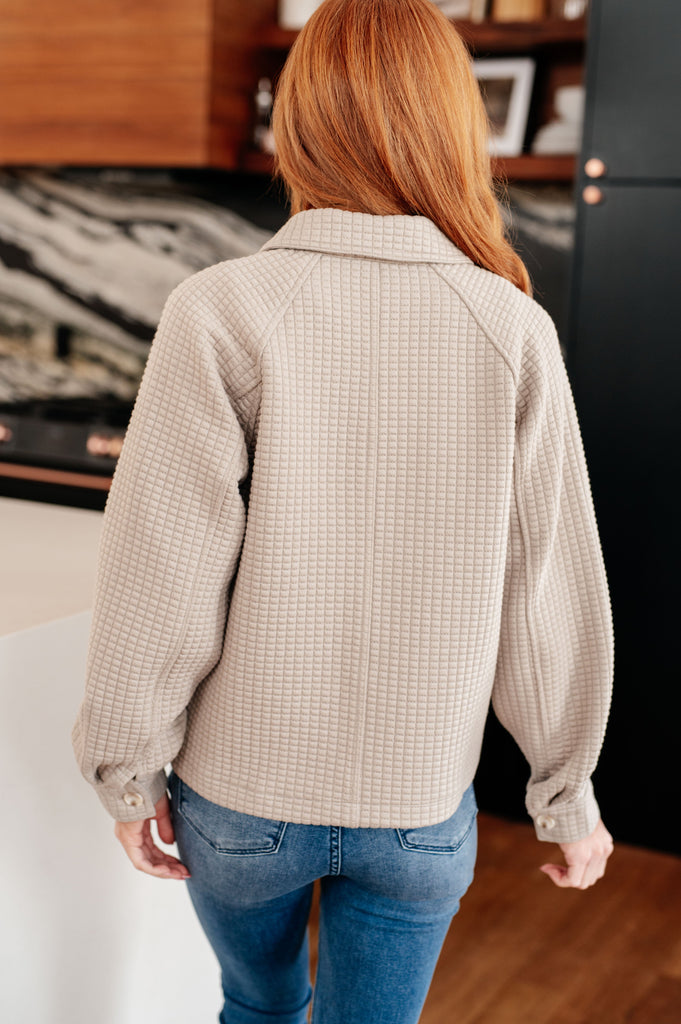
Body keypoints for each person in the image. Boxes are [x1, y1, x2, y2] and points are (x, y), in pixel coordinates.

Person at [72, 0, 615, 1021]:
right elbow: (545, 595)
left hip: (240, 807)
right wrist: (565, 794)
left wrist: (128, 770)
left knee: (259, 1008)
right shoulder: (512, 329)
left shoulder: (219, 309)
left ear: (300, 121)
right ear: (454, 126)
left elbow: (164, 572)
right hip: (419, 806)